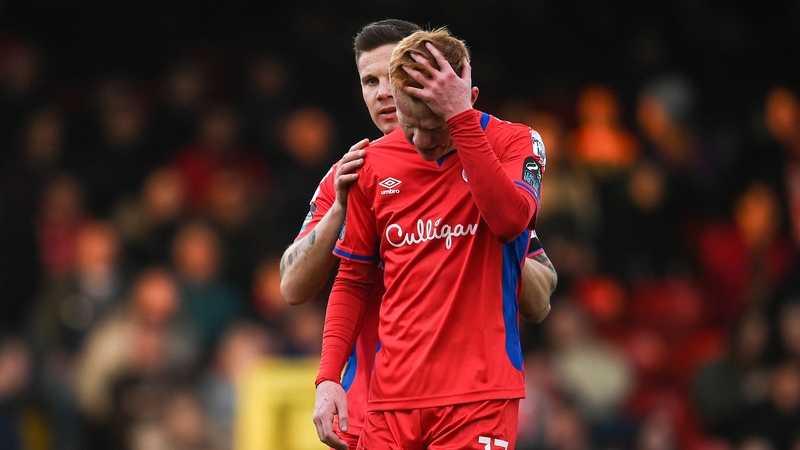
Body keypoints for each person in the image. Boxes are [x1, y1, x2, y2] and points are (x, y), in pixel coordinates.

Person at [279, 21, 556, 450]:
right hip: (373, 402)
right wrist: (340, 210)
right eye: (369, 82)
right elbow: (298, 285)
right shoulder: (356, 169)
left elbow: (537, 295)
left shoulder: (504, 150)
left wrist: (482, 249)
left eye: (390, 78)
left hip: (473, 394)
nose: (383, 92)